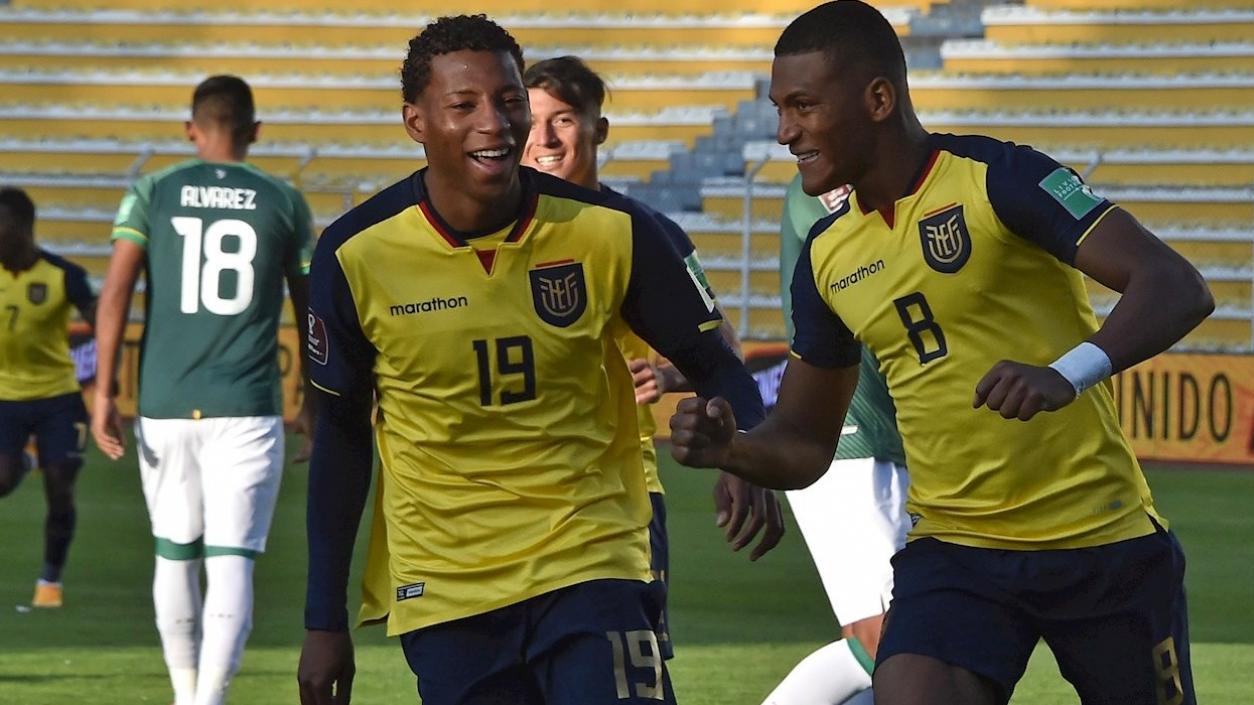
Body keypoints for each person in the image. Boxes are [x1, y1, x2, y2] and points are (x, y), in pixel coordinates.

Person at [671, 2, 1210, 704]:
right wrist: (732, 447)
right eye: (779, 109)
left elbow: (1176, 284)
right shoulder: (827, 255)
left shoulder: (997, 177)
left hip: (1100, 538)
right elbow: (805, 441)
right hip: (956, 553)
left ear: (878, 99)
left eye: (802, 106)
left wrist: (1066, 372)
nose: (784, 132)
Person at [296, 15, 766, 705]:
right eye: (464, 105)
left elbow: (714, 360)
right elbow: (339, 436)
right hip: (449, 588)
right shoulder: (354, 254)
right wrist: (322, 620)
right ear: (416, 121)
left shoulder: (612, 231)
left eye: (509, 100)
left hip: (591, 560)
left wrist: (744, 449)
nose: (497, 123)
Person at [521, 54, 786, 660]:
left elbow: (723, 350)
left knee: (626, 678)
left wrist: (673, 378)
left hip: (619, 497)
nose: (546, 138)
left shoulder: (649, 232)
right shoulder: (493, 232)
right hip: (508, 495)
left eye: (563, 119)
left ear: (598, 129)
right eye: (533, 120)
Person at [91, 75, 315, 705]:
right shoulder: (284, 200)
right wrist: (315, 404)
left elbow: (114, 295)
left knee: (174, 555)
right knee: (231, 560)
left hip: (164, 402)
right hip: (245, 406)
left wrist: (104, 389)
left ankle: (184, 694)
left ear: (191, 129)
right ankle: (206, 700)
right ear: (255, 131)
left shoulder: (152, 191)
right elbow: (311, 307)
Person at [760, 173, 909, 705]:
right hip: (847, 437)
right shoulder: (820, 190)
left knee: (907, 647)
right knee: (890, 642)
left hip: (886, 435)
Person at [0, 187, 96, 609]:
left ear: (22, 227)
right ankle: (23, 460)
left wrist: (104, 377)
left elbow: (100, 322)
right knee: (1, 481)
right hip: (5, 396)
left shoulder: (63, 275)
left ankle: (49, 583)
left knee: (61, 490)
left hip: (59, 396)